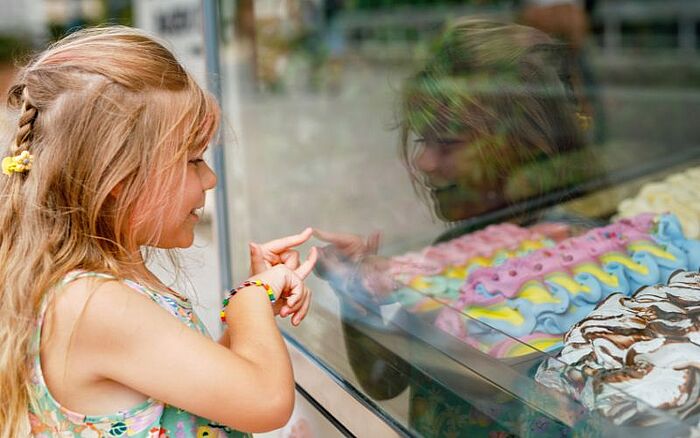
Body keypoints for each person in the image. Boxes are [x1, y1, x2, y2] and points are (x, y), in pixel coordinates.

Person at [0, 26, 317, 437]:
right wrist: (249, 301)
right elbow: (266, 402)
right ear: (117, 179)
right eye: (193, 160)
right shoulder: (93, 304)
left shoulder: (95, 291)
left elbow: (195, 399)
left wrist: (252, 313)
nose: (210, 180)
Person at [315, 18, 596, 437]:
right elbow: (383, 381)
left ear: (525, 146)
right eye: (422, 141)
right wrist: (357, 291)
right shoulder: (453, 247)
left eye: (446, 143)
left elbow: (494, 382)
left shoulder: (578, 256)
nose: (423, 162)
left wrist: (388, 300)